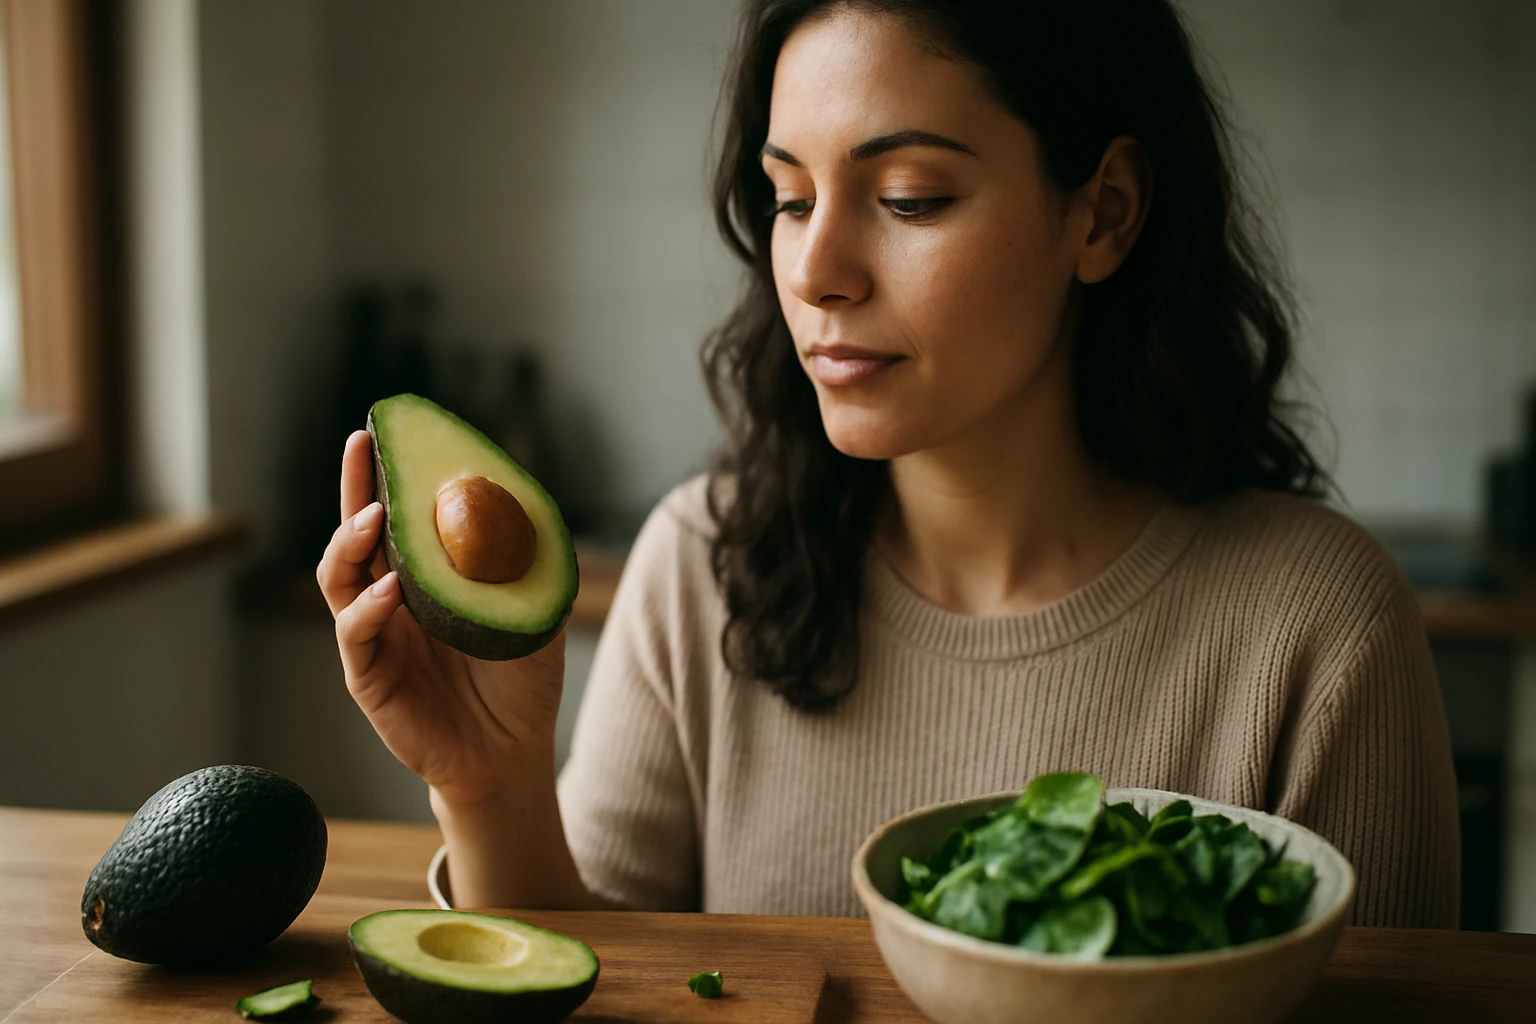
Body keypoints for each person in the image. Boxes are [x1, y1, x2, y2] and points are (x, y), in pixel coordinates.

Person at [317, 0, 1460, 929]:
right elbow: (597, 981)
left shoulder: (1322, 626)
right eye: (790, 197)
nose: (818, 270)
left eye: (910, 197)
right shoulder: (700, 563)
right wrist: (491, 786)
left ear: (1103, 213)